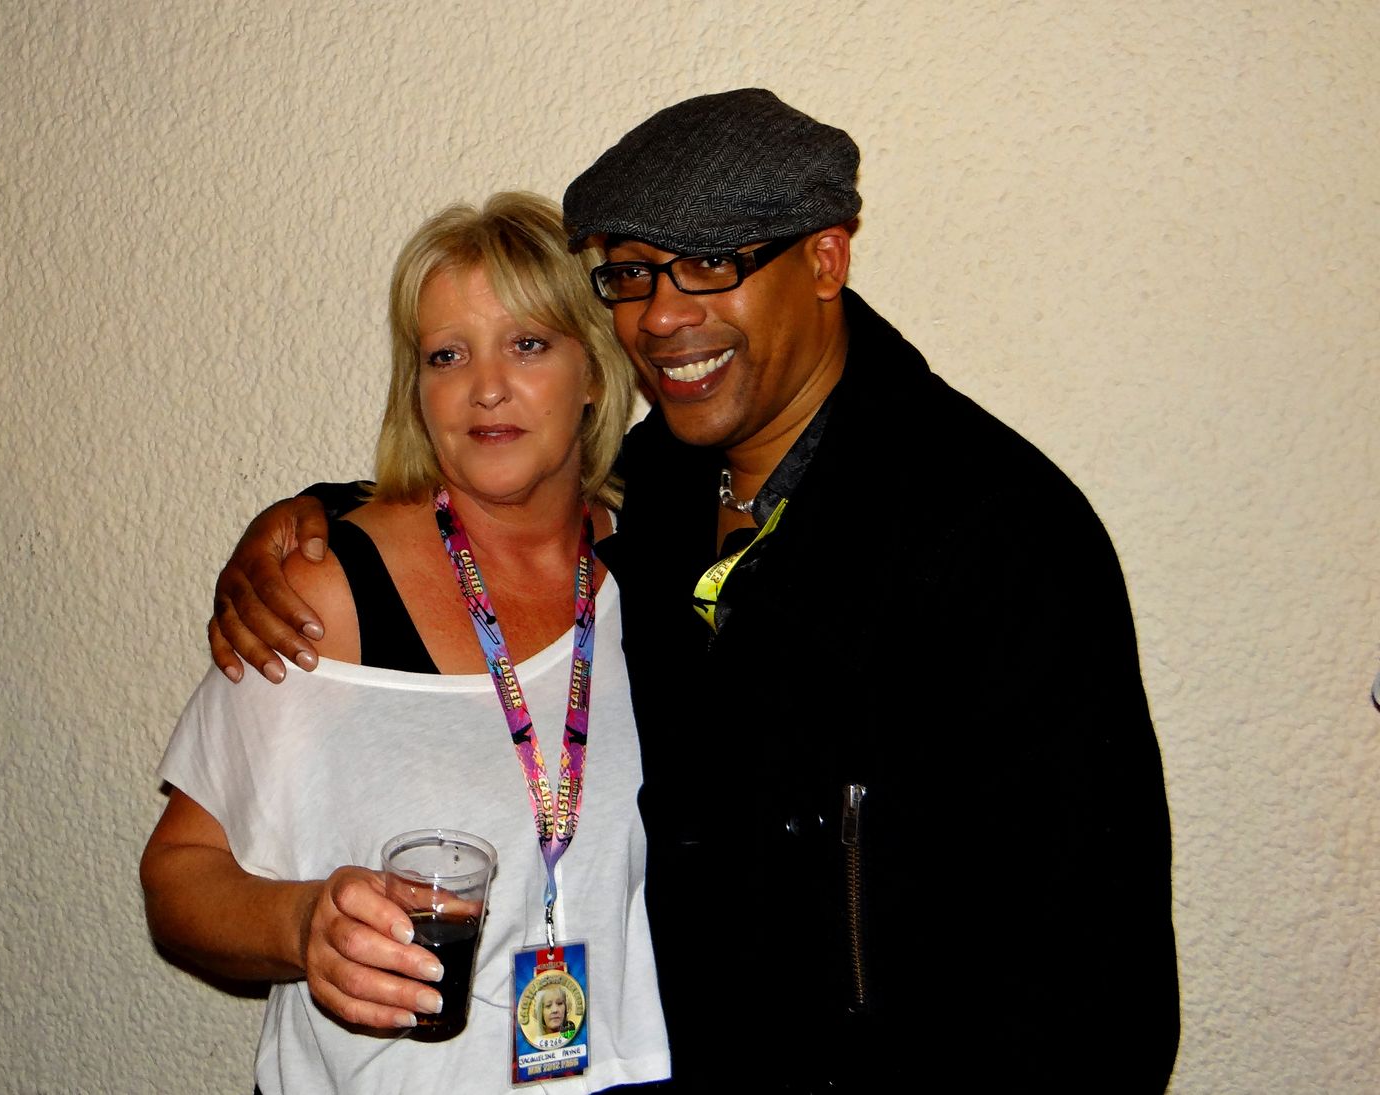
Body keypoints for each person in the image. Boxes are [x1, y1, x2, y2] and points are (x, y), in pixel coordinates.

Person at [207, 90, 1180, 1091]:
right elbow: (510, 487)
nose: (664, 316)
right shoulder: (662, 492)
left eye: (713, 263)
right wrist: (317, 516)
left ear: (825, 261)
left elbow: (1097, 975)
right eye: (633, 273)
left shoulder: (996, 535)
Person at [141, 192, 671, 1094]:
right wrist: (302, 925)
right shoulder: (325, 591)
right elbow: (179, 876)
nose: (486, 387)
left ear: (593, 370)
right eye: (446, 355)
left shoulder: (661, 578)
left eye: (528, 343)